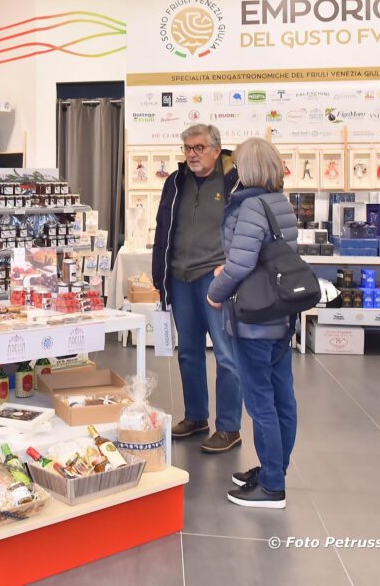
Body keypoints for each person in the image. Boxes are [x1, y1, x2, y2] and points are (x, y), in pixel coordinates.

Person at [206, 137, 298, 509]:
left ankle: (272, 486)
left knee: (261, 402)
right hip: (280, 315)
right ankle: (275, 470)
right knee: (282, 397)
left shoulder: (249, 207)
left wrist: (216, 291)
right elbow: (266, 258)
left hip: (255, 318)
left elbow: (242, 264)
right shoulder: (280, 203)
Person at [152, 124, 243, 453]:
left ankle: (229, 427)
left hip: (216, 279)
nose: (192, 154)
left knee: (226, 355)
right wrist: (159, 276)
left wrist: (232, 268)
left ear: (216, 150)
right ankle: (196, 417)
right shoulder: (175, 182)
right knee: (189, 353)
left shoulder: (234, 181)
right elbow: (163, 229)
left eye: (199, 148)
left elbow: (247, 229)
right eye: (188, 148)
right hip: (180, 278)